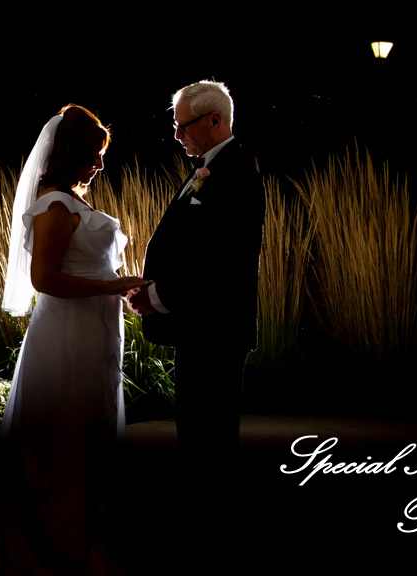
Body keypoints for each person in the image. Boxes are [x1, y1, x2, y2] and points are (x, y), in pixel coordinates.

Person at [0, 104, 150, 575]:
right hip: (67, 334)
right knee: (67, 437)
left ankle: (88, 535)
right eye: (93, 154)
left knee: (90, 432)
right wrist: (113, 285)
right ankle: (63, 544)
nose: (101, 164)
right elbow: (44, 279)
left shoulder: (72, 202)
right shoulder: (55, 206)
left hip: (92, 329)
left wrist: (116, 289)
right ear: (70, 152)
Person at [127, 80, 265, 547]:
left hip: (215, 330)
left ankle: (211, 536)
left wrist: (160, 296)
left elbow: (221, 261)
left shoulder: (236, 171)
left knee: (211, 439)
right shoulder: (210, 168)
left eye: (182, 126)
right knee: (197, 435)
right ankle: (202, 527)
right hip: (199, 327)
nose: (176, 135)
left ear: (214, 120)